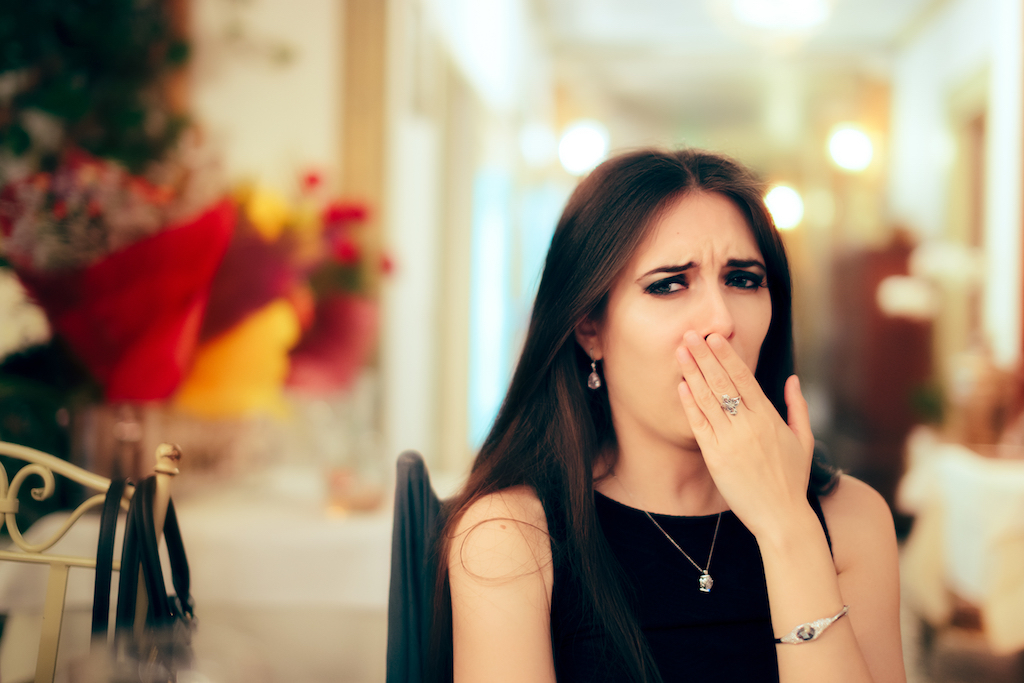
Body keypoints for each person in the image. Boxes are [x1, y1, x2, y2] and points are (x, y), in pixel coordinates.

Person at [431, 149, 905, 683]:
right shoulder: (510, 537)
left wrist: (787, 528)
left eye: (744, 279)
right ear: (590, 327)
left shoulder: (852, 521)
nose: (721, 320)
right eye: (668, 284)